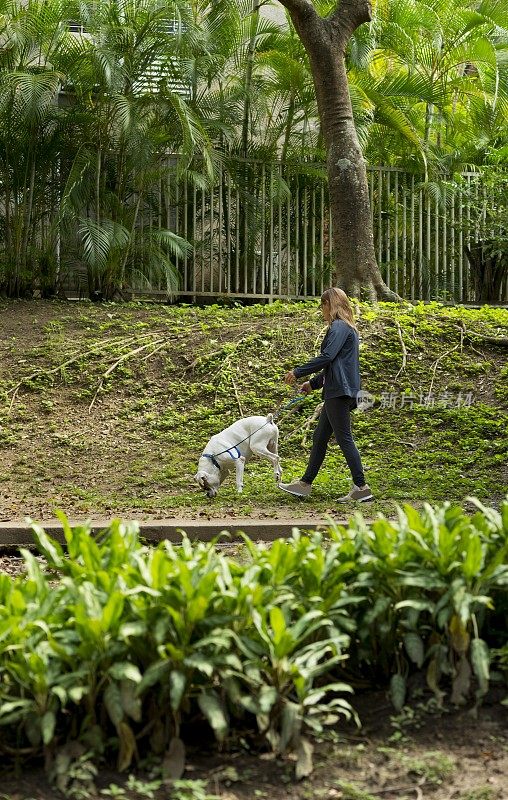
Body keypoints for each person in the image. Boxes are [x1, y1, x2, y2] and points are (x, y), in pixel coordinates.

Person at [279, 287, 373, 503]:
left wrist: (297, 371)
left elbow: (328, 356)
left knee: (344, 438)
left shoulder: (339, 326)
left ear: (331, 305)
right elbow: (336, 364)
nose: (322, 310)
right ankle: (304, 484)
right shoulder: (347, 328)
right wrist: (313, 384)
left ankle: (361, 486)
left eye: (323, 305)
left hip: (338, 391)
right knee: (320, 437)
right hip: (340, 389)